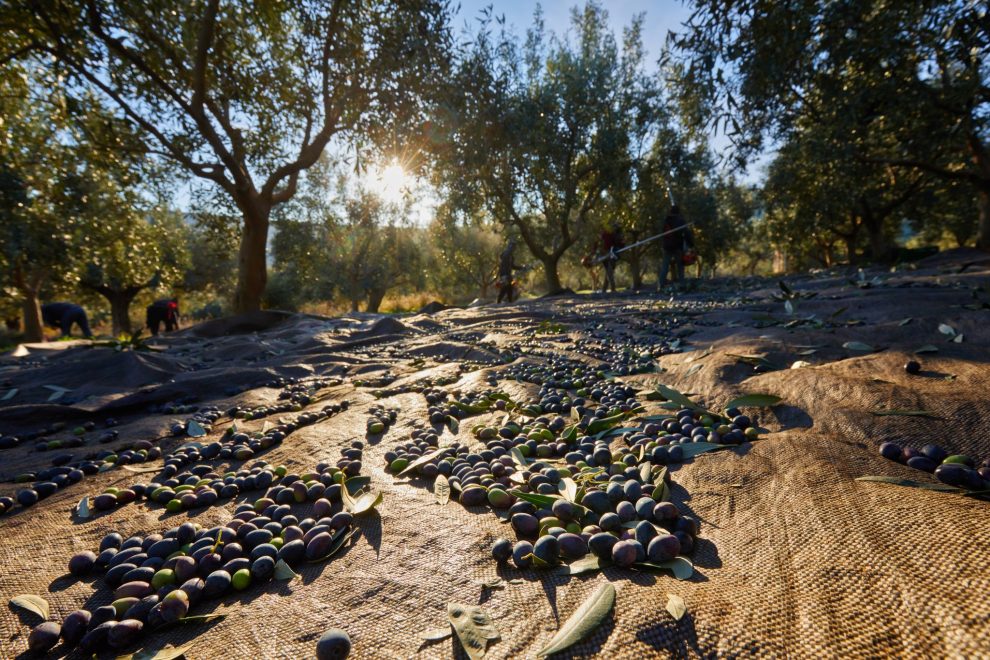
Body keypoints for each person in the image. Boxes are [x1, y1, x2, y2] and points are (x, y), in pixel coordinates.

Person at [658, 205, 694, 290]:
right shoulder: (680, 221)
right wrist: (691, 245)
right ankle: (682, 285)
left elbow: (663, 233)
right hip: (677, 246)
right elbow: (686, 233)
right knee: (680, 266)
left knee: (665, 266)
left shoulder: (666, 220)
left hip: (667, 247)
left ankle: (661, 285)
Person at [597, 225, 623, 293]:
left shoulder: (610, 235)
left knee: (609, 271)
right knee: (609, 271)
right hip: (607, 254)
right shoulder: (607, 235)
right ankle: (612, 288)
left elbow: (617, 244)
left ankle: (604, 289)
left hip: (610, 253)